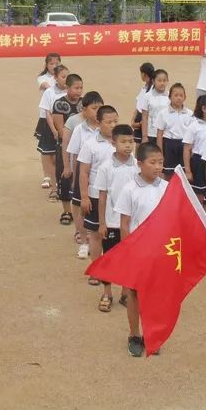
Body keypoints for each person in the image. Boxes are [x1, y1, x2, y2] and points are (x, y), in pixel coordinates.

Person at [114, 142, 168, 357]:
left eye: (160, 162)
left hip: (160, 250)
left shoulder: (167, 188)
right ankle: (134, 334)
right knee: (135, 293)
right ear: (140, 164)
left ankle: (151, 333)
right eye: (152, 162)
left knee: (156, 294)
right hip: (138, 250)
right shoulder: (130, 189)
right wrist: (128, 253)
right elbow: (124, 224)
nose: (157, 167)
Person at [93, 124, 138, 313]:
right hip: (112, 222)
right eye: (123, 142)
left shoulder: (138, 165)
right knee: (110, 259)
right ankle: (107, 293)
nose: (128, 145)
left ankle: (126, 293)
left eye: (131, 141)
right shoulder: (106, 167)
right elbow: (102, 196)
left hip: (132, 223)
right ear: (113, 143)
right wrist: (102, 223)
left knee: (130, 259)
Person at [77, 105, 119, 282]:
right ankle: (95, 270)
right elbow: (84, 172)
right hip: (95, 195)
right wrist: (84, 196)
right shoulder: (90, 144)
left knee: (116, 233)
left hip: (117, 197)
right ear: (99, 122)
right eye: (109, 122)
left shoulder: (122, 143)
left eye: (115, 121)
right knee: (95, 233)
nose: (113, 125)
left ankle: (113, 270)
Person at [64, 88, 100, 259]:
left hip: (99, 173)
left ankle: (97, 240)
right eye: (94, 108)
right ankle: (84, 241)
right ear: (84, 110)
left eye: (100, 108)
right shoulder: (79, 129)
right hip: (82, 171)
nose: (97, 111)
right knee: (79, 205)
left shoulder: (105, 129)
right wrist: (72, 173)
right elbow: (74, 154)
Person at [52, 74, 84, 233]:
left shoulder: (84, 104)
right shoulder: (59, 104)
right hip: (65, 145)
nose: (79, 91)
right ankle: (66, 210)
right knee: (64, 176)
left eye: (81, 88)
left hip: (81, 147)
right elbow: (60, 129)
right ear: (67, 87)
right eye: (76, 88)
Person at [36, 66, 69, 196]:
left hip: (67, 129)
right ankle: (54, 188)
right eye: (63, 77)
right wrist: (54, 130)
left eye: (67, 76)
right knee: (52, 157)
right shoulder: (49, 92)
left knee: (64, 159)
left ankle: (65, 187)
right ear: (55, 77)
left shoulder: (70, 92)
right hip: (52, 129)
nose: (66, 79)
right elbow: (48, 112)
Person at [182, 93, 206, 201]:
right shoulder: (195, 125)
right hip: (199, 162)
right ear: (204, 108)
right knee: (199, 195)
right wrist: (188, 171)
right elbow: (187, 149)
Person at [154, 83, 191, 179]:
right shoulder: (163, 113)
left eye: (181, 95)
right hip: (169, 145)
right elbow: (159, 135)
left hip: (184, 146)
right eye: (176, 95)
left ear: (185, 97)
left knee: (183, 174)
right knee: (168, 173)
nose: (178, 98)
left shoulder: (190, 114)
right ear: (170, 97)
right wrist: (160, 153)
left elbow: (192, 135)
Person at [138, 69, 170, 144]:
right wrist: (144, 136)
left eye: (164, 80)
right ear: (153, 81)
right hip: (151, 134)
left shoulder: (170, 96)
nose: (162, 83)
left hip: (166, 135)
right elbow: (144, 117)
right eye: (159, 80)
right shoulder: (147, 97)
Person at [130, 62, 155, 145]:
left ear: (144, 74)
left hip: (144, 121)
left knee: (143, 147)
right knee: (138, 146)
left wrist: (140, 123)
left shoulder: (152, 90)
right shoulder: (144, 88)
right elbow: (138, 106)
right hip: (138, 120)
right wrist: (133, 120)